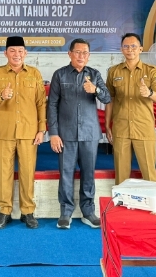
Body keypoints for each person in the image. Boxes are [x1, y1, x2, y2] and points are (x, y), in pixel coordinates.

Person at [47, 38, 111, 230]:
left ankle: (88, 212)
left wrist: (95, 89)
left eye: (85, 53)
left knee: (88, 173)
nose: (81, 56)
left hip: (89, 133)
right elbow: (52, 105)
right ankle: (65, 212)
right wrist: (53, 133)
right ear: (70, 54)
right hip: (65, 134)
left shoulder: (94, 74)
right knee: (66, 173)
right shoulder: (59, 75)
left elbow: (107, 98)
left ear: (89, 56)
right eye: (78, 52)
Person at [0, 36, 46, 230]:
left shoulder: (34, 73)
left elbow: (41, 103)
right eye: (12, 50)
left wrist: (42, 129)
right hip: (5, 132)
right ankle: (4, 211)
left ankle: (28, 212)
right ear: (5, 53)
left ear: (25, 53)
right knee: (4, 173)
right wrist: (1, 96)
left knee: (27, 172)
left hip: (29, 132)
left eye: (20, 51)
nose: (16, 54)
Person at [105, 33, 156, 184]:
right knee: (121, 176)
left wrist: (149, 93)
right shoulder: (114, 71)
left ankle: (152, 200)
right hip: (121, 129)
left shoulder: (151, 71)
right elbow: (109, 100)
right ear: (121, 49)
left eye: (133, 46)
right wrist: (107, 125)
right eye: (126, 46)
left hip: (143, 128)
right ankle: (121, 200)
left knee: (149, 174)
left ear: (140, 49)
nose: (130, 49)